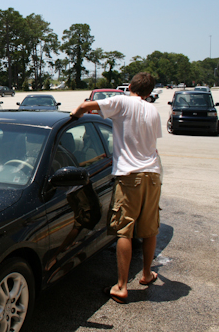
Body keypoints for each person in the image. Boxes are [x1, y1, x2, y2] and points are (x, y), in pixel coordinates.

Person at [70, 72, 162, 304]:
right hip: (153, 174)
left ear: (129, 85)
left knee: (124, 229)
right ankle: (146, 274)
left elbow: (85, 105)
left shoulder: (122, 101)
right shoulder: (153, 110)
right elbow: (150, 143)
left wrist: (74, 115)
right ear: (149, 92)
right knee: (150, 228)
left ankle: (121, 287)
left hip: (130, 176)